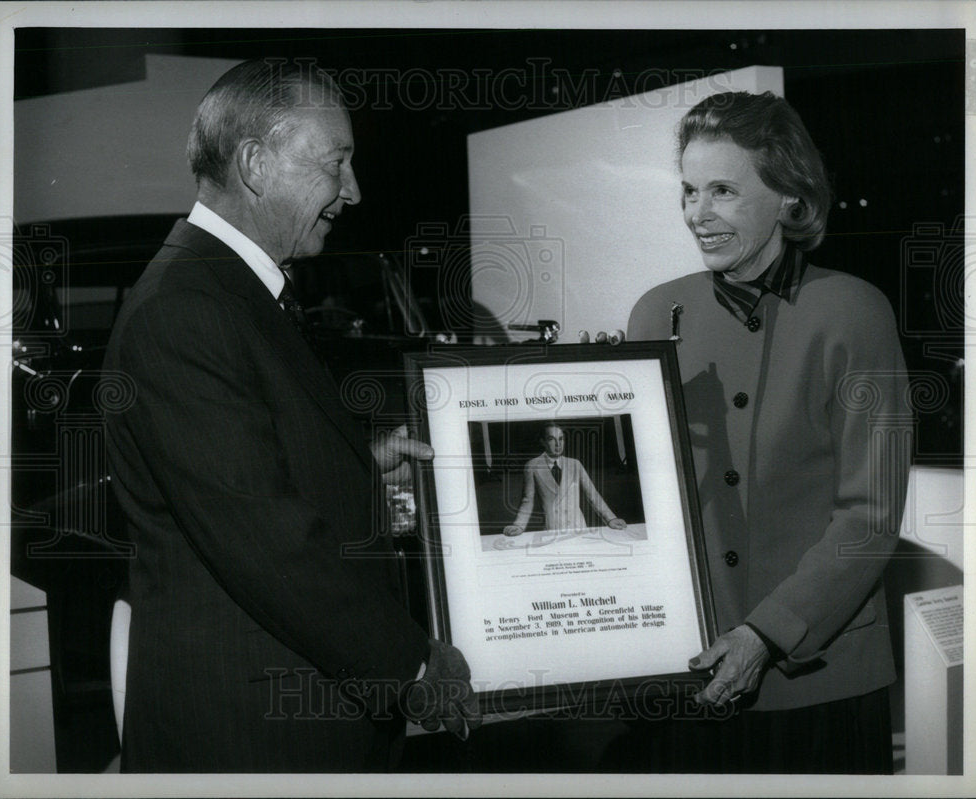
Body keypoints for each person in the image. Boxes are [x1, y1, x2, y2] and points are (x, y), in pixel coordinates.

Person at [102, 58, 480, 772]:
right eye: (336, 162)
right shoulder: (185, 309)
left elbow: (237, 475)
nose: (354, 191)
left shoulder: (221, 290)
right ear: (254, 163)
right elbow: (269, 544)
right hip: (252, 738)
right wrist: (415, 667)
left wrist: (358, 462)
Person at [621, 91, 910, 773]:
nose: (698, 213)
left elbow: (870, 515)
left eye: (723, 190)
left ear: (788, 194)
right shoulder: (654, 311)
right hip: (687, 673)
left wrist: (765, 633)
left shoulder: (854, 312)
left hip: (818, 679)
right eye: (689, 190)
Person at [503, 423, 628, 536]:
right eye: (551, 439)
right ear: (542, 442)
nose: (558, 444)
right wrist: (519, 525)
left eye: (561, 439)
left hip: (578, 525)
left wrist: (610, 518)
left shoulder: (575, 464)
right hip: (553, 527)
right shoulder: (532, 466)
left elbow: (593, 495)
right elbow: (527, 501)